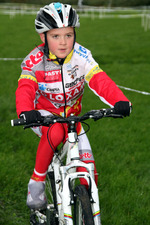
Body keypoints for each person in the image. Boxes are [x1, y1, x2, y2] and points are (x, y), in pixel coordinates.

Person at [15, 2, 132, 210]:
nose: (63, 42)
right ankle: (37, 182)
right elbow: (25, 88)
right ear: (43, 37)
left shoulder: (81, 55)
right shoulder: (33, 61)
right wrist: (26, 111)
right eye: (55, 36)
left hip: (73, 118)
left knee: (90, 173)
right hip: (43, 116)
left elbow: (100, 80)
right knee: (57, 131)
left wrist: (119, 101)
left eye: (68, 35)